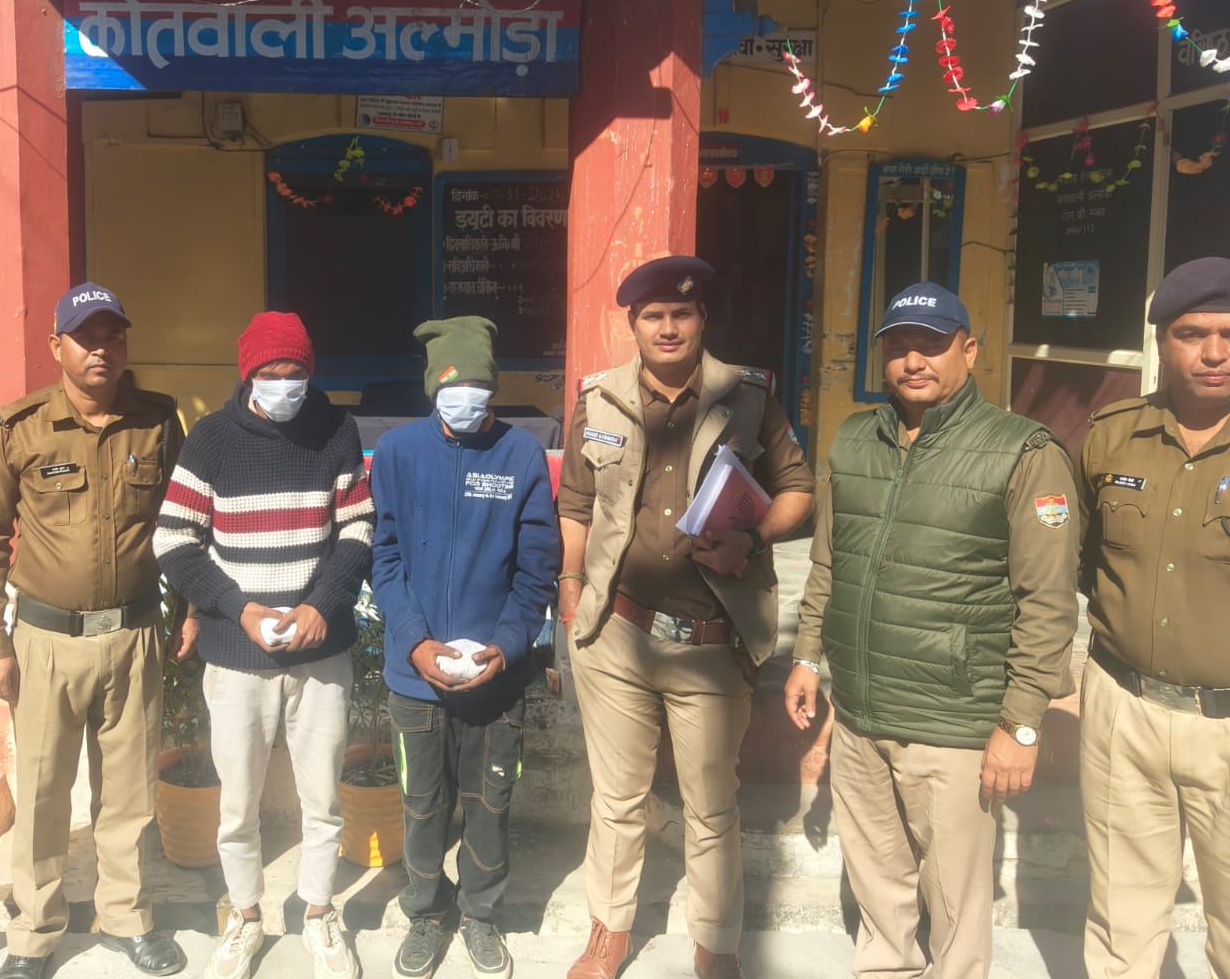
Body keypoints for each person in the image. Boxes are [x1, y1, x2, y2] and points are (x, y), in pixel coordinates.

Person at [785, 281, 1081, 979]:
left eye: (931, 345)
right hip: (861, 714)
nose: (913, 361)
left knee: (953, 908)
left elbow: (1047, 603)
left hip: (951, 722)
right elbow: (830, 561)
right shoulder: (855, 438)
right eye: (898, 346)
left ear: (969, 351)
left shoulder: (1023, 450)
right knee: (878, 891)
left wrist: (1021, 724)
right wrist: (807, 656)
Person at [556, 256, 815, 979]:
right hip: (617, 634)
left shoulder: (749, 399)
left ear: (702, 319)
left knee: (711, 806)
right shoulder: (598, 402)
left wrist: (753, 538)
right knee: (617, 799)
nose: (667, 328)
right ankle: (608, 931)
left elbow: (798, 491)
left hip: (710, 640)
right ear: (633, 325)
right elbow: (576, 503)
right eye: (653, 316)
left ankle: (716, 942)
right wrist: (571, 587)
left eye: (681, 314)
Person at [0, 282, 187, 979]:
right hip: (46, 643)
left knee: (129, 794)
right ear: (56, 346)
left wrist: (185, 612)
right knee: (40, 794)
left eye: (112, 336)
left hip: (134, 636)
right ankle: (34, 931)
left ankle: (125, 916)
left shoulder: (157, 422)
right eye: (85, 338)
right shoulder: (18, 428)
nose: (101, 350)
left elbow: (183, 524)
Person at [154, 311, 374, 979]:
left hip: (319, 652)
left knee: (322, 799)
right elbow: (173, 538)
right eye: (271, 373)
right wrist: (239, 608)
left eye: (296, 373)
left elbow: (358, 531)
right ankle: (246, 915)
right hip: (237, 655)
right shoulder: (211, 440)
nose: (285, 385)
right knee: (237, 803)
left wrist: (320, 605)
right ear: (247, 373)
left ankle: (319, 912)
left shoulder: (336, 431)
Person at [370, 317, 560, 979]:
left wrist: (506, 648)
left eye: (479, 388)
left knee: (489, 805)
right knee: (422, 806)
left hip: (495, 681)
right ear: (432, 389)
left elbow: (538, 566)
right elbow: (384, 559)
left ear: (494, 388)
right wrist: (415, 643)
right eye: (453, 388)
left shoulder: (520, 454)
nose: (466, 400)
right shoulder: (397, 452)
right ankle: (427, 911)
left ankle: (481, 913)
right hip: (415, 679)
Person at [1078, 255, 1230, 978]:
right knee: (1122, 918)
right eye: (1192, 334)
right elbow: (1079, 560)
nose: (1214, 352)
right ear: (1162, 341)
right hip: (1123, 709)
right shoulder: (1110, 436)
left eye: (1229, 334)